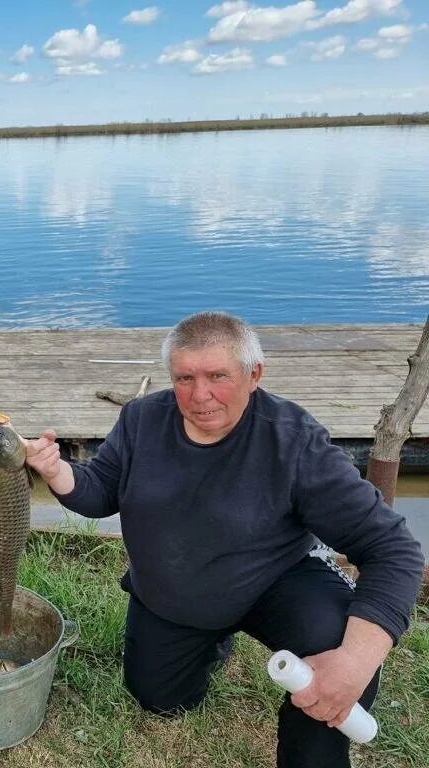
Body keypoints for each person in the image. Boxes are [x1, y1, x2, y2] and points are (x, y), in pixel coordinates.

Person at [25, 311, 424, 768]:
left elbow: (393, 549)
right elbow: (101, 491)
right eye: (184, 377)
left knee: (334, 640)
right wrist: (58, 472)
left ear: (254, 374)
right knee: (159, 698)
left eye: (218, 376)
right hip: (176, 596)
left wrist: (355, 661)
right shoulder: (140, 420)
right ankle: (214, 642)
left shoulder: (294, 442)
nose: (200, 395)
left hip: (278, 580)